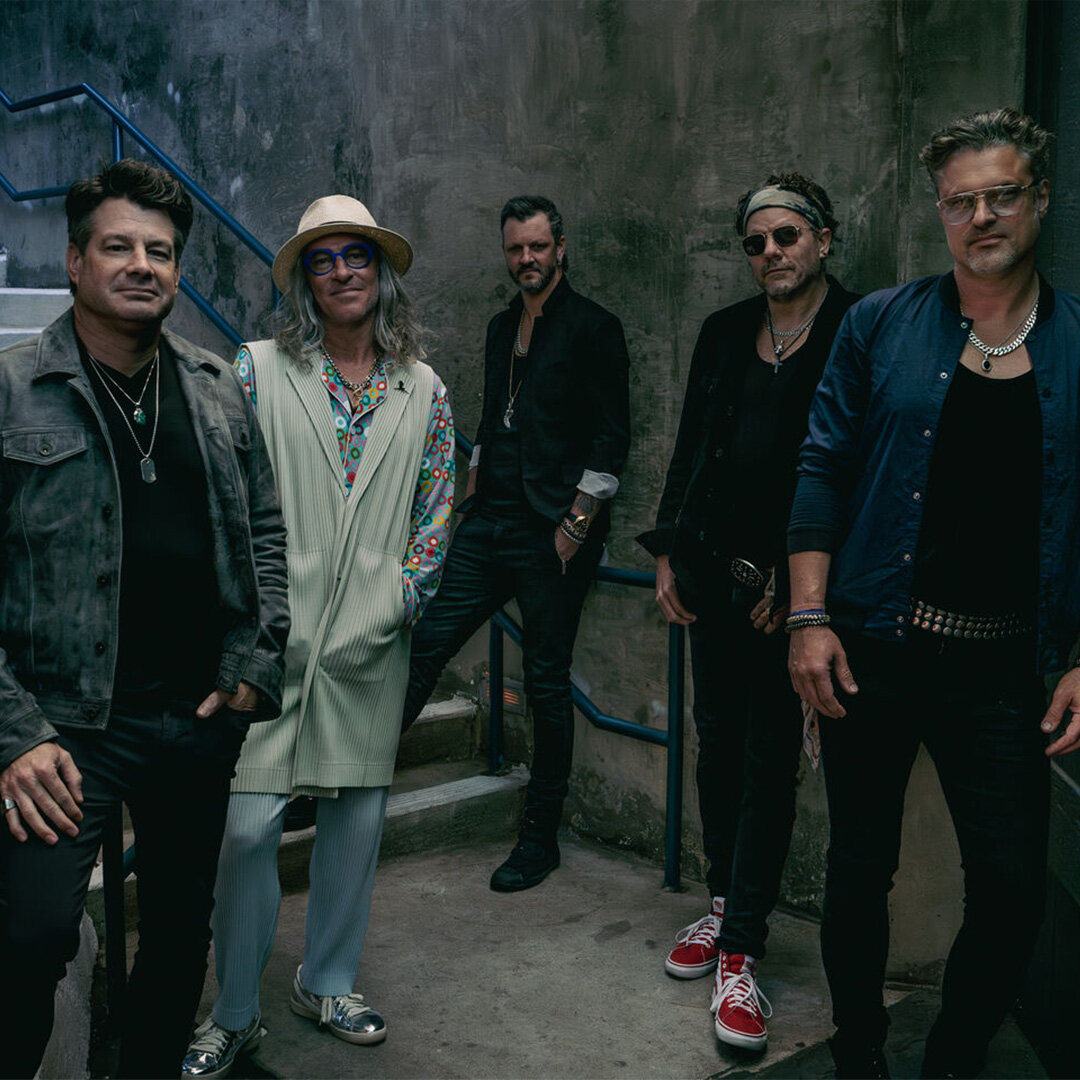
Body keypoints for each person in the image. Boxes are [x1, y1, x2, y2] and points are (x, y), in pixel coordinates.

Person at [787, 107, 1080, 1079]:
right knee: (858, 871)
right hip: (875, 645)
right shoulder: (880, 324)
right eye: (962, 201)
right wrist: (809, 617)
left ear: (1041, 199)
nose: (982, 216)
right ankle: (858, 1056)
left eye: (1002, 195)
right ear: (941, 212)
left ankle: (953, 1059)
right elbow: (821, 469)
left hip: (1004, 669)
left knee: (1011, 889)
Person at [0, 159, 289, 1079]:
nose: (141, 265)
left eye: (159, 252)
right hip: (62, 731)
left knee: (176, 935)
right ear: (75, 261)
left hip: (194, 719)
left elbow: (266, 532)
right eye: (118, 246)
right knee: (31, 937)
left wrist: (256, 662)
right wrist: (14, 734)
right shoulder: (13, 389)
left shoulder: (213, 383)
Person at [182, 195, 454, 1077]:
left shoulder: (424, 388)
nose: (342, 272)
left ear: (380, 272)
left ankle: (327, 980)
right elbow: (223, 490)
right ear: (305, 279)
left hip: (371, 638)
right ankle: (233, 1010)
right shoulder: (256, 368)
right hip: (271, 638)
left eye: (356, 256)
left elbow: (437, 508)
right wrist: (242, 613)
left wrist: (400, 599)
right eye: (323, 259)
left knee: (354, 826)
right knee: (246, 831)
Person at [639, 174, 859, 1051]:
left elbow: (858, 469)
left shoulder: (857, 329)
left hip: (791, 599)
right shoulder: (726, 330)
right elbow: (692, 445)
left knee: (770, 764)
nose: (771, 253)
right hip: (712, 579)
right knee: (718, 748)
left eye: (786, 236)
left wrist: (808, 593)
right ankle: (723, 901)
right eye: (756, 242)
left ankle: (742, 950)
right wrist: (668, 548)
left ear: (823, 240)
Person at [401, 195, 630, 893]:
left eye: (537, 246)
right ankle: (345, 781)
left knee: (545, 681)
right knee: (422, 643)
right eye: (515, 249)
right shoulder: (502, 325)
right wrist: (469, 502)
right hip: (491, 521)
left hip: (552, 531)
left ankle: (539, 837)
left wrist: (575, 526)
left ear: (560, 247)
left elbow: (612, 437)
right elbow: (489, 422)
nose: (526, 259)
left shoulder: (594, 327)